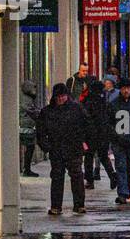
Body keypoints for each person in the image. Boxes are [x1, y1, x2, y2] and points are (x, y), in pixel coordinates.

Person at [35, 83, 90, 215]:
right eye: (58, 97)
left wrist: (84, 141)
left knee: (76, 175)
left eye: (63, 96)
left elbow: (87, 126)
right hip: (57, 148)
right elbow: (41, 131)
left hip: (73, 147)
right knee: (57, 177)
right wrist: (46, 146)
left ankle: (79, 205)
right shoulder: (47, 111)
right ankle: (56, 206)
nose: (60, 99)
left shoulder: (76, 109)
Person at [83, 78, 117, 190]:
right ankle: (112, 175)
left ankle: (89, 180)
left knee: (89, 157)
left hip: (91, 134)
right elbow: (112, 118)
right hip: (104, 133)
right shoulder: (106, 103)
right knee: (103, 156)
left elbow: (86, 118)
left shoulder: (89, 102)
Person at [19, 81, 40, 177]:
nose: (35, 91)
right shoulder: (27, 99)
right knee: (30, 147)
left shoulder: (25, 97)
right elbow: (31, 111)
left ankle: (26, 169)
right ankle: (27, 169)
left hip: (25, 125)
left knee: (29, 148)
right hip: (26, 126)